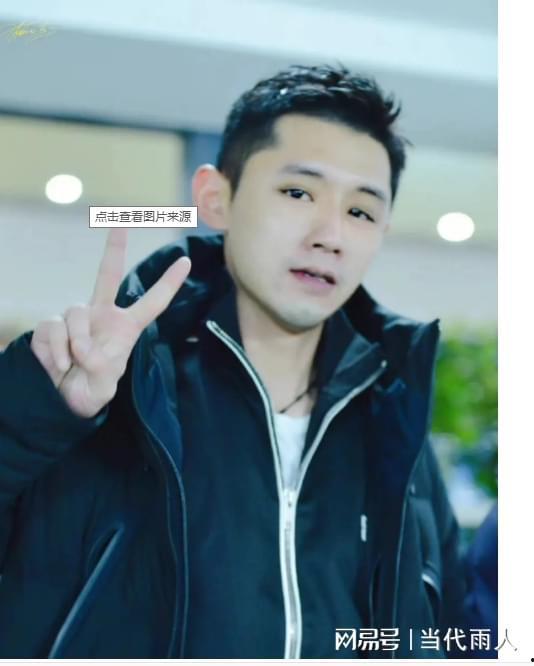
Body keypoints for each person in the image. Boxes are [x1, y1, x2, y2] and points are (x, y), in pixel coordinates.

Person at [0, 64, 493, 658]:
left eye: (361, 212)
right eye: (298, 193)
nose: (330, 234)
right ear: (217, 198)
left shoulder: (393, 428)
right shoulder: (111, 403)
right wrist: (31, 413)